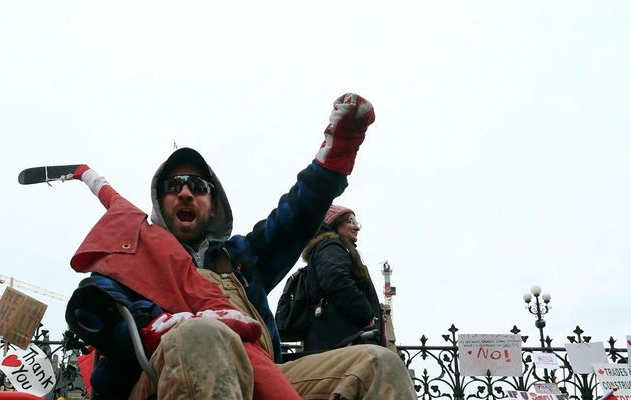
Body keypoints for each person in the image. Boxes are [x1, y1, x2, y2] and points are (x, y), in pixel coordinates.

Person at [63, 93, 416, 399]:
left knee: (377, 364)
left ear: (213, 205)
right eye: (174, 185)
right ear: (160, 202)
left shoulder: (243, 258)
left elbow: (296, 215)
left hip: (261, 379)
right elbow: (98, 312)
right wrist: (152, 325)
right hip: (156, 379)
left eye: (198, 186)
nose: (186, 192)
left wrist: (339, 151)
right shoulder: (132, 260)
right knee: (201, 336)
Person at [300, 205, 387, 353]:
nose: (356, 227)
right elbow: (336, 281)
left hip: (342, 341)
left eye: (356, 222)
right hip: (345, 342)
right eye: (350, 221)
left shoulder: (333, 249)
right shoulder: (331, 246)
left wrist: (375, 314)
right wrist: (365, 316)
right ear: (334, 223)